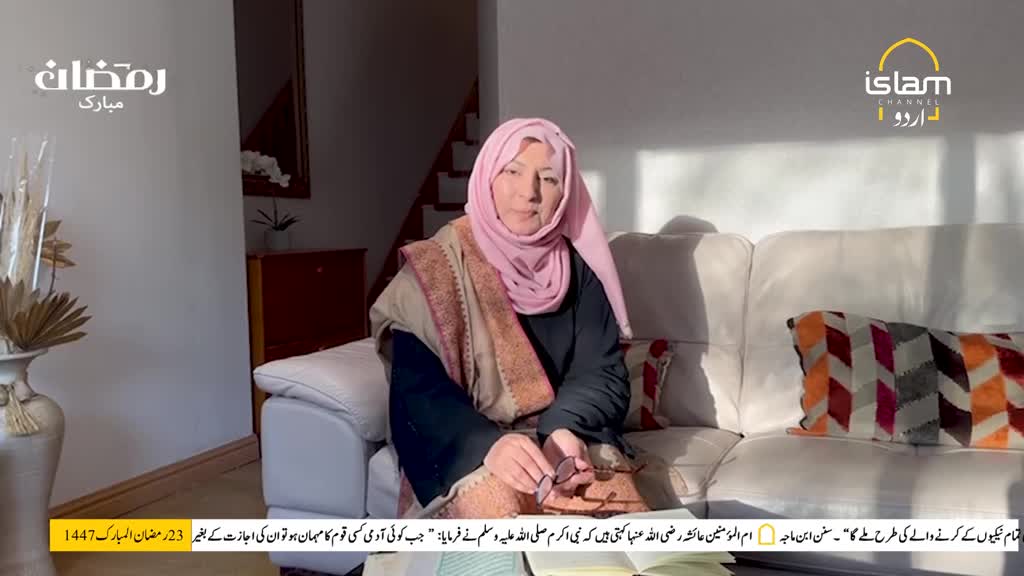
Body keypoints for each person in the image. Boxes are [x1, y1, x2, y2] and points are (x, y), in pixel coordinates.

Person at [370, 118, 663, 519]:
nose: (529, 193)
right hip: (470, 443)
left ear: (565, 193)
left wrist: (563, 430)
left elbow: (601, 373)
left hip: (561, 439)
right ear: (488, 176)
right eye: (512, 171)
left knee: (608, 509)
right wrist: (487, 445)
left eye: (548, 178)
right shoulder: (436, 269)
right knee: (496, 513)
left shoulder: (579, 271)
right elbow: (416, 390)